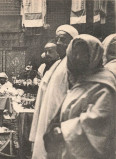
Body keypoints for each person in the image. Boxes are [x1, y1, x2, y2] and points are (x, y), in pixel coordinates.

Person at [44, 34, 116, 159]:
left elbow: (99, 121)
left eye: (84, 53)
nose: (78, 57)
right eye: (75, 53)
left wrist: (62, 131)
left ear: (95, 55)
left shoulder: (104, 85)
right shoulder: (79, 81)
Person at [29, 24, 79, 159]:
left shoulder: (73, 64)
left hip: (57, 118)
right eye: (57, 39)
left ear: (73, 41)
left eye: (63, 39)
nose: (59, 43)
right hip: (47, 113)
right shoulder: (58, 63)